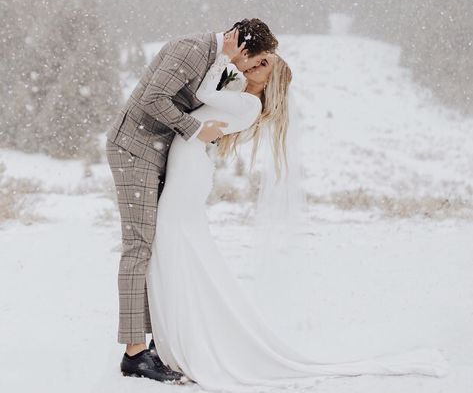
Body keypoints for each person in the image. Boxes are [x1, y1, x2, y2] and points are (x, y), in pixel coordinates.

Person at [145, 30, 448, 391]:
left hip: (188, 178)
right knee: (176, 251)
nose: (256, 63)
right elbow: (210, 94)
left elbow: (204, 93)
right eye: (259, 58)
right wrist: (234, 66)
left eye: (264, 64)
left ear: (270, 78)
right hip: (187, 170)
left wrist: (226, 54)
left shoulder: (250, 106)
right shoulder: (237, 95)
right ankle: (178, 332)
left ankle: (182, 336)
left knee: (175, 247)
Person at [106, 18, 278, 383]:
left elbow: (206, 100)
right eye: (256, 60)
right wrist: (197, 130)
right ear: (244, 50)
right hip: (134, 149)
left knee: (154, 245)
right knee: (138, 246)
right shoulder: (191, 49)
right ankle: (135, 353)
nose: (251, 69)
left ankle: (152, 339)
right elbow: (154, 99)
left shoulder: (219, 62)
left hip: (158, 150)